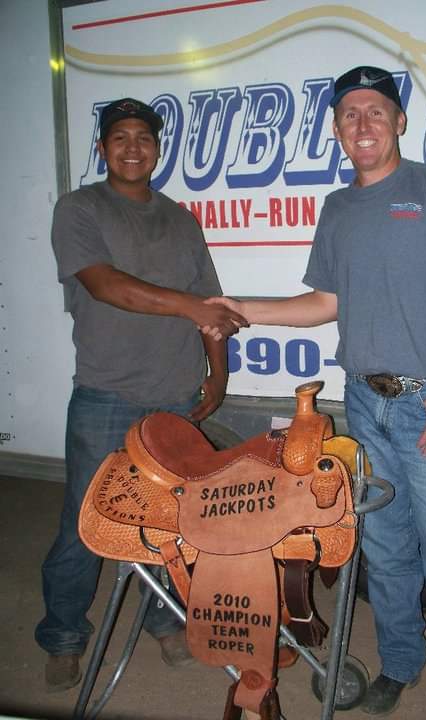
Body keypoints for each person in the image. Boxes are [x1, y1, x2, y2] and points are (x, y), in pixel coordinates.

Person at [206, 67, 426, 719]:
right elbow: (324, 303)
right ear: (338, 130)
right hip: (365, 404)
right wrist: (241, 309)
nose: (363, 123)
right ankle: (400, 663)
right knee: (387, 549)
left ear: (399, 121)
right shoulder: (338, 208)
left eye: (376, 110)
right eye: (349, 114)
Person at [35, 98, 247, 692]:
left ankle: (165, 621)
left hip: (175, 397)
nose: (133, 146)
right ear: (102, 150)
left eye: (144, 137)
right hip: (106, 396)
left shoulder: (182, 220)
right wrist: (190, 307)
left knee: (172, 521)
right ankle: (64, 635)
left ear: (158, 149)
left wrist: (219, 375)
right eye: (120, 137)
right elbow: (104, 286)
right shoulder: (80, 209)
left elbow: (212, 308)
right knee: (87, 522)